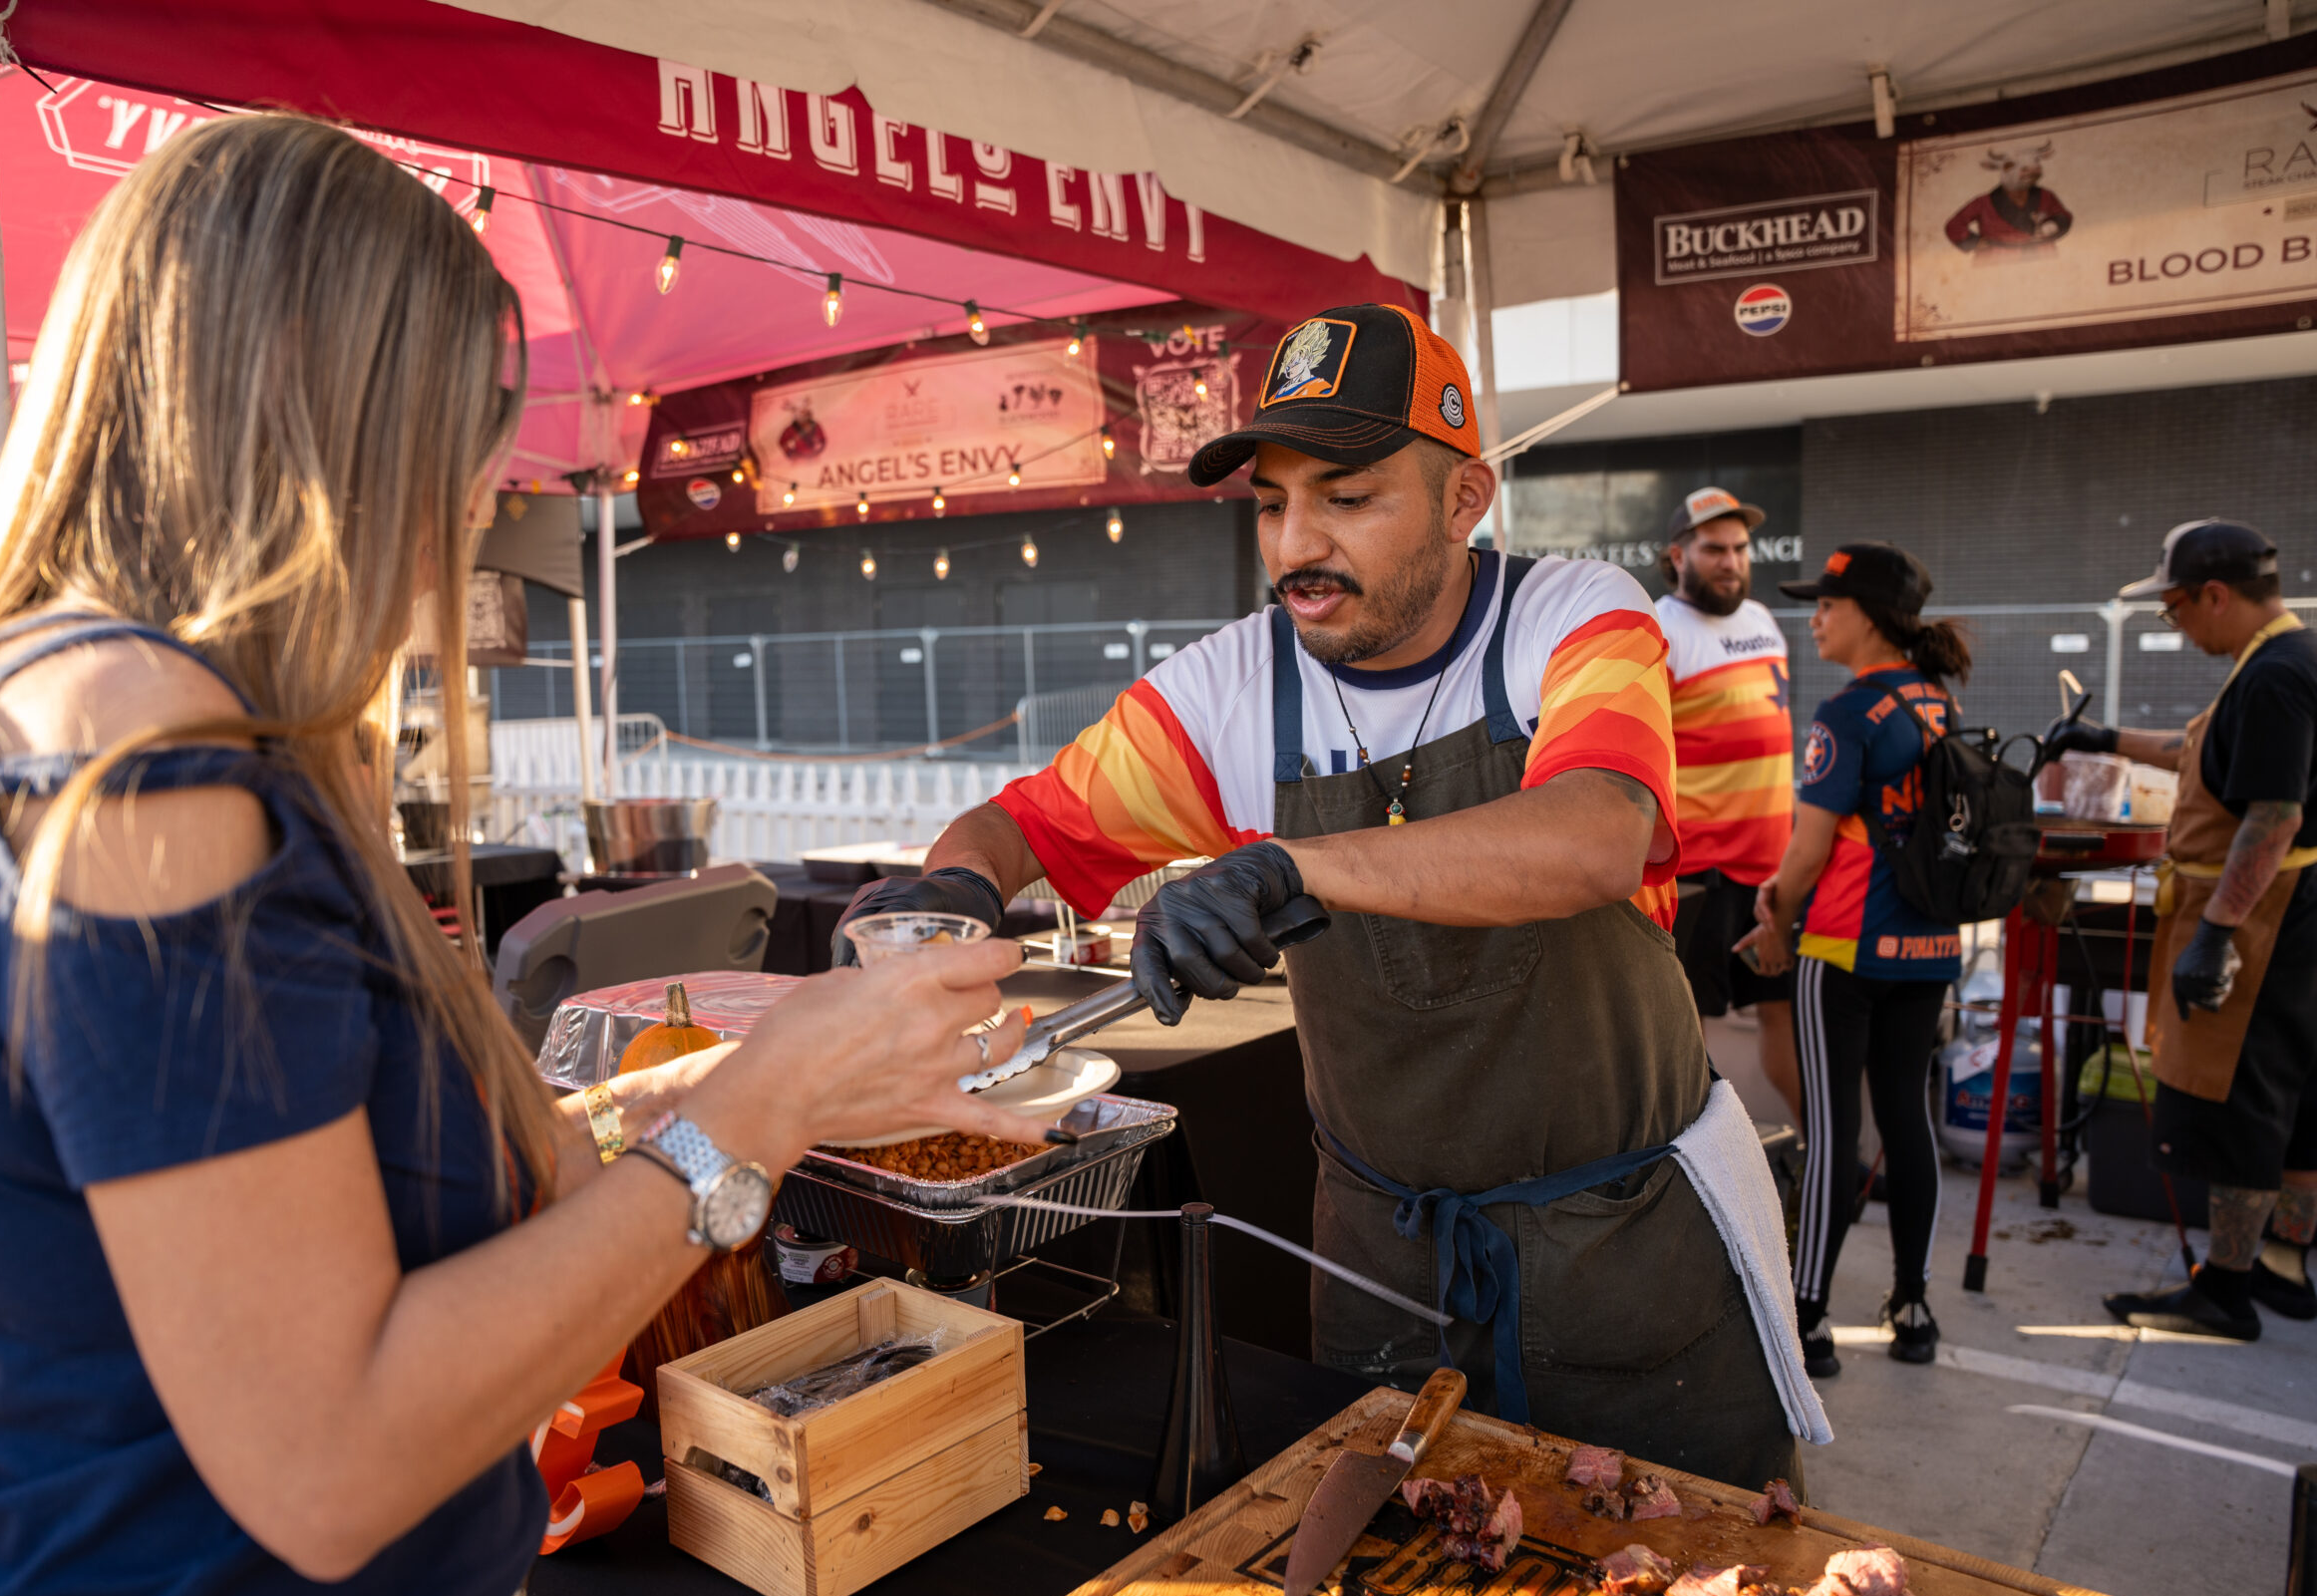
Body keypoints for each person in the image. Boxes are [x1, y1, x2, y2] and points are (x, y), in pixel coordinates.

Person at [0, 116, 1042, 1596]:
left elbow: (410, 1167)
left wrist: (762, 1078)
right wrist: (750, 1116)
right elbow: (327, 1460)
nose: (481, 497)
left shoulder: (107, 715)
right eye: (458, 433)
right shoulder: (137, 764)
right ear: (310, 408)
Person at [842, 304, 1820, 1492]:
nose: (1295, 545)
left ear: (1465, 499)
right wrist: (955, 887)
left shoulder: (1570, 615)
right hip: (1382, 1259)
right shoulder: (1233, 686)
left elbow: (1596, 835)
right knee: (1394, 1577)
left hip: (1621, 1241)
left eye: (1348, 498)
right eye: (1270, 504)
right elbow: (1024, 826)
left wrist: (1290, 865)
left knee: (1684, 1566)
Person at [2046, 520, 2317, 1341]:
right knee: (2296, 1095)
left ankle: (2224, 1290)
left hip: (2263, 916)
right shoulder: (2282, 659)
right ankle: (2283, 1266)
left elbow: (2273, 814)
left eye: (2174, 609)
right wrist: (2103, 738)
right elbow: (2200, 750)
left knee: (2242, 1097)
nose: (2177, 625)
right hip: (2286, 908)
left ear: (2216, 595)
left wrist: (2218, 932)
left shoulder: (2274, 677)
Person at [1738, 544, 1969, 1378]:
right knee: (1907, 1119)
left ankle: (1806, 1318)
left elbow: (1807, 850)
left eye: (1829, 604)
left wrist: (1776, 913)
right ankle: (1914, 1306)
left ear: (1868, 616)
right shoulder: (1938, 702)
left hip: (1842, 946)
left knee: (1834, 1131)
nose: (1817, 619)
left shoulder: (1846, 713)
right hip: (1929, 945)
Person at [1657, 486, 1801, 1117]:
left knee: (1781, 1012)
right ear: (1678, 556)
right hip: (1702, 872)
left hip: (1773, 869)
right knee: (1692, 1027)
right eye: (1714, 549)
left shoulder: (1762, 620)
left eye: (1740, 549)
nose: (1731, 562)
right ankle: (1700, 1158)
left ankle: (1824, 1150)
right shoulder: (1658, 629)